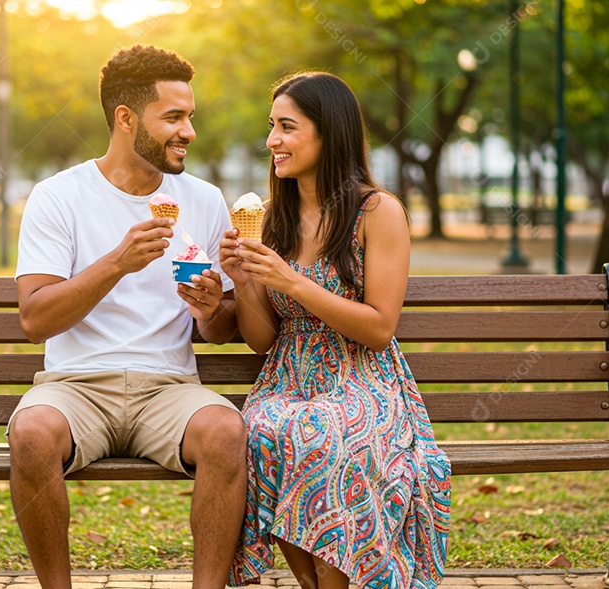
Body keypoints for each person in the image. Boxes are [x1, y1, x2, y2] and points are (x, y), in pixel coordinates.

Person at [8, 45, 246, 589]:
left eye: (190, 117)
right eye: (174, 117)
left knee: (227, 431)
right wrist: (117, 263)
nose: (188, 131)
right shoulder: (58, 197)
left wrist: (212, 310)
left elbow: (224, 327)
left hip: (169, 387)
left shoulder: (204, 199)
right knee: (31, 432)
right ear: (126, 118)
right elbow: (35, 318)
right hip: (75, 385)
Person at [221, 72, 452, 589]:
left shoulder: (378, 211)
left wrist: (291, 282)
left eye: (286, 127)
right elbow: (262, 339)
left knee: (325, 437)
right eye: (270, 126)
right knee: (255, 434)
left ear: (328, 134)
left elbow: (378, 327)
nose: (271, 141)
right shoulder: (273, 218)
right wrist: (246, 282)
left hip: (362, 379)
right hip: (287, 379)